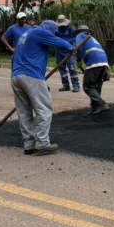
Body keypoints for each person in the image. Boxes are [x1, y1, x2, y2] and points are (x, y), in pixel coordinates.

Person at [11, 20, 74, 156]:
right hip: (31, 76)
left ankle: (28, 145)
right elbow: (60, 43)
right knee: (44, 109)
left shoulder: (25, 35)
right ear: (49, 29)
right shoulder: (40, 32)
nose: (54, 35)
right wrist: (71, 48)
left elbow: (13, 57)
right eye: (54, 33)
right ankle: (42, 143)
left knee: (24, 113)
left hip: (16, 76)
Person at [74, 25, 110, 116]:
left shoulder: (80, 35)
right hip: (104, 61)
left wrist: (78, 60)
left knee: (88, 86)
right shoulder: (92, 38)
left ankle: (102, 104)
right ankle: (95, 108)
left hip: (94, 61)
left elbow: (79, 47)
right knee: (96, 85)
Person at [55, 15, 81, 93]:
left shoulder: (71, 28)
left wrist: (65, 42)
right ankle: (65, 85)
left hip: (68, 52)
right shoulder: (57, 29)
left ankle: (76, 85)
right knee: (62, 69)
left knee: (72, 68)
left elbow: (75, 38)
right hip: (59, 51)